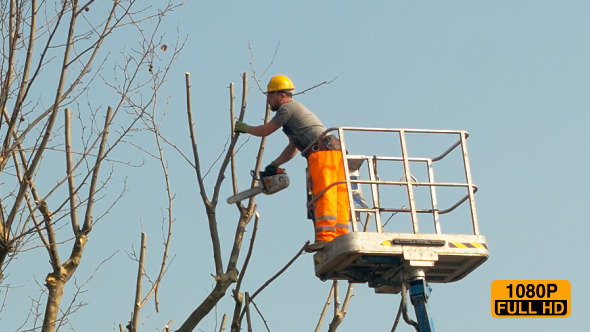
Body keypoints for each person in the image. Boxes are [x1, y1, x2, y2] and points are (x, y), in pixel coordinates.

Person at [234, 75, 350, 252]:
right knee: (336, 194)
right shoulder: (294, 115)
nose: (268, 100)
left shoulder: (286, 109)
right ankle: (340, 237)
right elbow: (293, 148)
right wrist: (274, 163)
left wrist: (245, 128)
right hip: (334, 151)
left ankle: (326, 238)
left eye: (270, 95)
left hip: (322, 153)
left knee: (324, 194)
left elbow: (266, 130)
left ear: (282, 95)